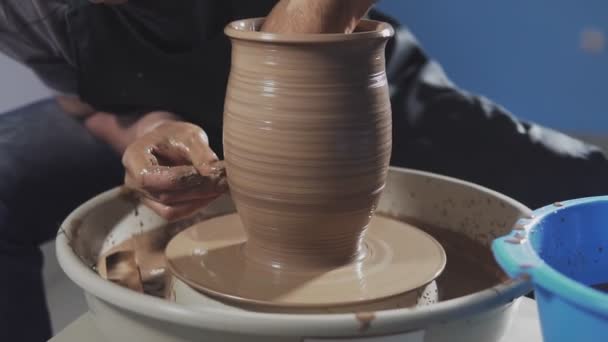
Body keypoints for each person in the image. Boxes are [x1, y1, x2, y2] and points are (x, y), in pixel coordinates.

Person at [1, 0, 607, 340]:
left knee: (576, 184)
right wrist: (142, 130)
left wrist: (310, 22)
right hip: (167, 116)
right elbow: (81, 100)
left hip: (347, 97)